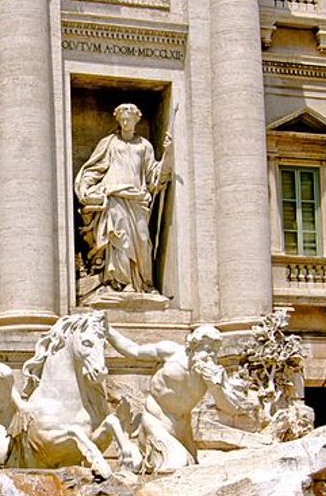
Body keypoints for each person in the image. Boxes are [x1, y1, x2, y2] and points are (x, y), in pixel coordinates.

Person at [106, 323, 256, 472]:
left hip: (183, 430)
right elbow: (134, 351)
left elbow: (229, 408)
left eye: (214, 350)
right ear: (193, 345)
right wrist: (108, 331)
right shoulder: (171, 352)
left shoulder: (213, 374)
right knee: (177, 463)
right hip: (155, 422)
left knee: (191, 469)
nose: (210, 355)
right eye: (206, 348)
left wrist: (215, 387)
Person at [74, 103, 170, 294]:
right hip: (115, 196)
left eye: (129, 119)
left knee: (143, 239)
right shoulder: (109, 143)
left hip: (138, 199)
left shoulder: (144, 145)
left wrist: (169, 153)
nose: (125, 122)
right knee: (119, 239)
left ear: (137, 119)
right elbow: (94, 169)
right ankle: (122, 282)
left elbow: (154, 177)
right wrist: (85, 187)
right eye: (122, 119)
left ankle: (143, 282)